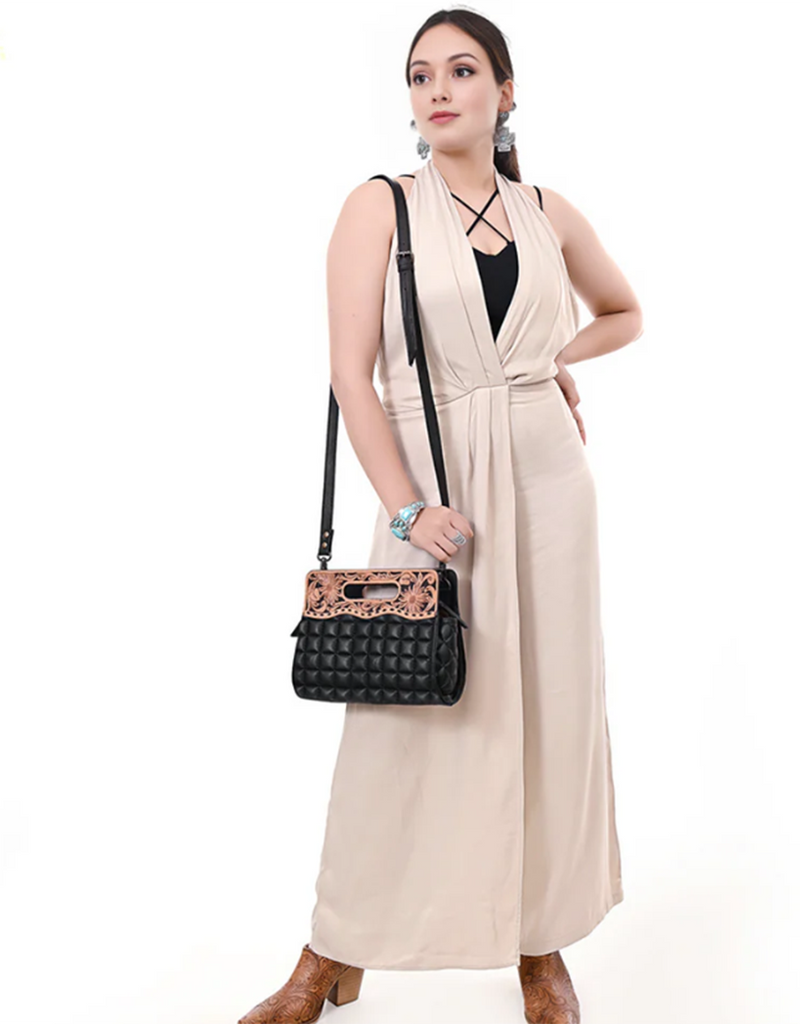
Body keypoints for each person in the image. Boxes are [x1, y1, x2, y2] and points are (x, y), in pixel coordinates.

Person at [238, 9, 643, 1024]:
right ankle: (331, 948)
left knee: (546, 710)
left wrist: (554, 360)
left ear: (505, 92)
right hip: (431, 489)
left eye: (462, 70)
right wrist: (407, 507)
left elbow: (624, 311)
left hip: (549, 487)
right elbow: (350, 375)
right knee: (399, 724)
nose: (438, 89)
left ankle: (539, 944)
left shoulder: (547, 210)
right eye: (420, 75)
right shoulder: (378, 205)